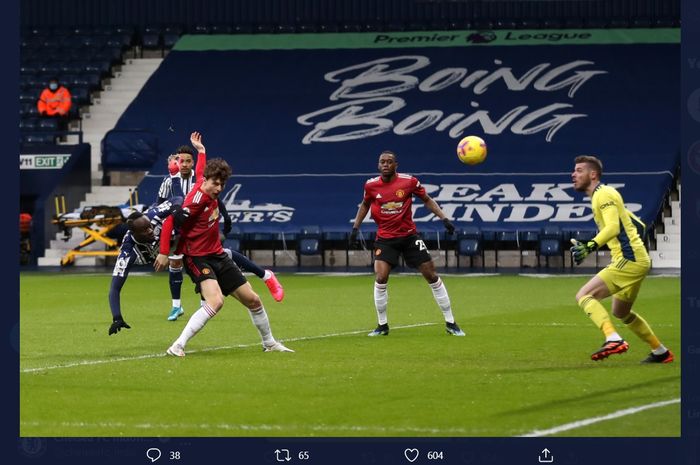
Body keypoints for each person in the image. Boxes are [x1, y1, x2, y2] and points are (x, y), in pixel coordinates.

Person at [156, 131, 293, 356]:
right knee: (216, 301)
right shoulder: (196, 200)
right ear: (207, 181)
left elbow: (201, 171)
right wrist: (163, 252)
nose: (219, 189)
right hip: (197, 256)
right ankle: (177, 345)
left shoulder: (205, 182)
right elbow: (172, 219)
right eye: (216, 184)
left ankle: (269, 343)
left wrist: (201, 151)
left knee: (254, 300)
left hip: (217, 254)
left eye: (222, 184)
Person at [569, 155, 673, 363]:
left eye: (579, 170)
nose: (573, 174)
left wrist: (590, 246)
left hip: (629, 260)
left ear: (593, 174)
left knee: (584, 295)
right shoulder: (604, 195)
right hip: (635, 259)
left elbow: (613, 228)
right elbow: (638, 224)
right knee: (621, 312)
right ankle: (660, 352)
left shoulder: (603, 194)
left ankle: (612, 338)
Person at [349, 150, 465, 337]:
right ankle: (382, 325)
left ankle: (451, 322)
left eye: (389, 162)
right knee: (380, 278)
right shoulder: (370, 185)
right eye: (382, 162)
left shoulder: (409, 182)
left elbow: (427, 200)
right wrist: (355, 229)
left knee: (431, 275)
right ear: (378, 165)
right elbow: (365, 204)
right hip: (385, 239)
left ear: (396, 165)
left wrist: (444, 219)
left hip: (410, 237)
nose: (385, 164)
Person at [107, 196, 183, 335]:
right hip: (155, 253)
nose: (150, 230)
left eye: (150, 226)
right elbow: (115, 287)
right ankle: (177, 305)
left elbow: (178, 199)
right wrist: (117, 317)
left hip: (177, 237)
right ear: (134, 233)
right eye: (145, 230)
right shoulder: (127, 252)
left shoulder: (153, 215)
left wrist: (176, 210)